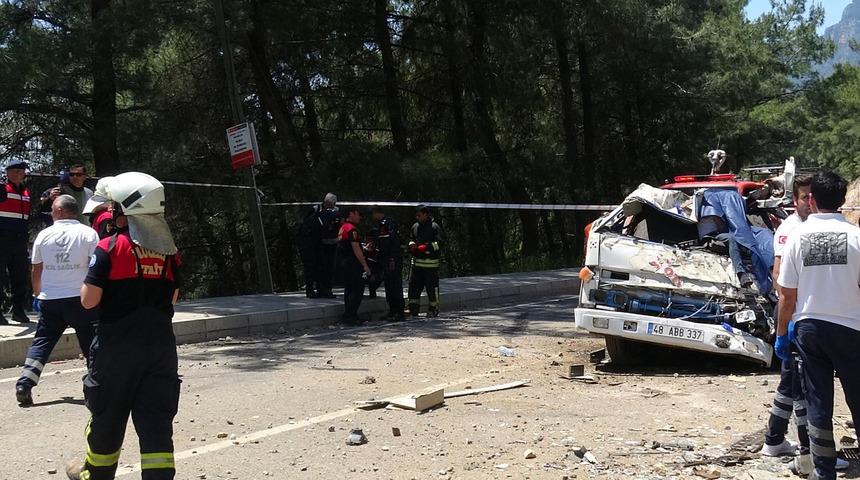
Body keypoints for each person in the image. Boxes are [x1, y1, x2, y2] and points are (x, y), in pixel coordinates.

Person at [66, 172, 182, 480]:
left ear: (125, 211)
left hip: (117, 347)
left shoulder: (109, 247)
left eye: (114, 208)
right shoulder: (169, 252)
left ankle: (96, 474)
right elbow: (173, 295)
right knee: (156, 421)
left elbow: (89, 301)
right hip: (160, 347)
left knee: (108, 416)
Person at [777, 171, 860, 480]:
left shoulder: (796, 237)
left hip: (809, 327)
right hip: (851, 327)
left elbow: (788, 294)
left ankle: (823, 471)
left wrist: (782, 333)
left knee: (817, 400)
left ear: (811, 199)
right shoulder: (857, 237)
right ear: (842, 201)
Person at [15, 195, 99, 406]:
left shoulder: (44, 235)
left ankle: (25, 383)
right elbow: (95, 266)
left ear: (61, 211)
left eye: (53, 209)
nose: (51, 213)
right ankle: (95, 385)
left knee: (42, 342)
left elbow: (36, 269)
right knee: (90, 342)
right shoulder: (88, 234)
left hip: (51, 299)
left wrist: (37, 294)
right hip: (81, 298)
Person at [0, 158, 33, 324]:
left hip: (19, 240)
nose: (17, 173)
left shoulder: (26, 192)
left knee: (20, 276)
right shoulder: (2, 188)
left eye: (20, 171)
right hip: (2, 238)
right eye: (13, 170)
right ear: (7, 172)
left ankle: (18, 311)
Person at [407, 205, 444, 317]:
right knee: (413, 289)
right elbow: (411, 239)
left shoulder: (434, 227)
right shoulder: (415, 226)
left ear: (426, 214)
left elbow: (440, 243)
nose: (417, 217)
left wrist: (427, 247)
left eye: (419, 215)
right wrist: (412, 245)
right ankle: (413, 309)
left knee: (432, 289)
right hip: (416, 266)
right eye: (416, 215)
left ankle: (433, 309)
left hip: (430, 266)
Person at [337, 206, 370, 324]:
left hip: (344, 263)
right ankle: (350, 315)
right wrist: (365, 265)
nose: (359, 217)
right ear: (351, 214)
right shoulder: (352, 229)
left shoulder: (343, 227)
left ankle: (351, 315)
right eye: (358, 214)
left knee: (349, 290)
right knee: (357, 290)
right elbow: (356, 249)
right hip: (353, 264)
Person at [372, 206, 405, 320]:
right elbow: (381, 242)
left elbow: (394, 242)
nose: (372, 217)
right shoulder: (380, 225)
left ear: (378, 213)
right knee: (389, 286)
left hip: (393, 259)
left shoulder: (389, 223)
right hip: (385, 259)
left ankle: (399, 312)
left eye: (373, 214)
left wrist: (392, 258)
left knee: (395, 285)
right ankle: (392, 310)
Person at [297, 203, 323, 298]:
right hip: (309, 249)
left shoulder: (307, 223)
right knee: (310, 269)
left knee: (312, 269)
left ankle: (314, 289)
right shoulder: (312, 222)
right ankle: (310, 290)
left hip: (309, 249)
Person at [317, 193, 339, 299]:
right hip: (325, 244)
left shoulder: (335, 212)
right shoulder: (319, 210)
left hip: (328, 243)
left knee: (327, 267)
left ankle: (325, 289)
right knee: (325, 268)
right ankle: (324, 289)